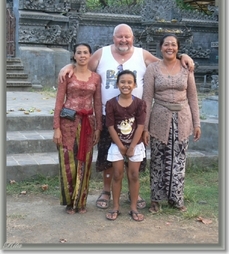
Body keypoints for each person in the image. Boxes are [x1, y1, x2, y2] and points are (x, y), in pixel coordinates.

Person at [58, 24, 195, 210]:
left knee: (135, 156)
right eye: (119, 37)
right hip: (109, 115)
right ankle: (106, 191)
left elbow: (167, 60)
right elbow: (82, 65)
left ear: (133, 38)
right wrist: (68, 65)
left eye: (127, 37)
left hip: (135, 117)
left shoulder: (143, 54)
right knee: (108, 156)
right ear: (113, 38)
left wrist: (182, 56)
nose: (123, 40)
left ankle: (133, 192)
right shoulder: (101, 53)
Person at [142, 34, 201, 213]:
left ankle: (176, 198)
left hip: (183, 118)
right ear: (160, 48)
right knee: (158, 159)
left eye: (173, 45)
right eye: (166, 44)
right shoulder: (153, 69)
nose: (170, 47)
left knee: (179, 159)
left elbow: (192, 96)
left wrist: (197, 123)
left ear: (178, 48)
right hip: (160, 117)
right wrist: (145, 127)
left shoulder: (186, 68)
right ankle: (156, 199)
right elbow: (147, 98)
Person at [53, 43, 102, 214]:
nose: (82, 55)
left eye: (85, 52)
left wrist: (98, 128)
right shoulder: (67, 75)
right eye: (79, 53)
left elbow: (97, 103)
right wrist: (56, 128)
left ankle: (81, 201)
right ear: (74, 55)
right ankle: (69, 201)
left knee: (85, 161)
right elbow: (59, 102)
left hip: (88, 123)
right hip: (68, 123)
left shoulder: (96, 77)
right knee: (68, 160)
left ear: (90, 56)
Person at [105, 70, 146, 222]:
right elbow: (110, 126)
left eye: (129, 82)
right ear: (117, 84)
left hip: (135, 144)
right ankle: (115, 206)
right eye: (122, 82)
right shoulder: (111, 104)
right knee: (117, 174)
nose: (126, 85)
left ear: (134, 85)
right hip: (118, 144)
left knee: (134, 175)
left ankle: (133, 207)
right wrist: (121, 146)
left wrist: (132, 146)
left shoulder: (140, 104)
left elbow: (140, 126)